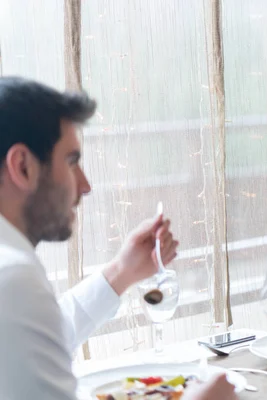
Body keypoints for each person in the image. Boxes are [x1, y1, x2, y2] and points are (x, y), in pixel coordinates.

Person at [0, 77, 237, 400]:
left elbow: (41, 338)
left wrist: (121, 272)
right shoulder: (13, 279)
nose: (85, 185)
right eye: (72, 162)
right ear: (23, 167)